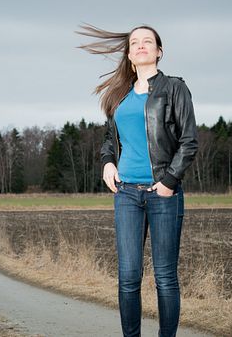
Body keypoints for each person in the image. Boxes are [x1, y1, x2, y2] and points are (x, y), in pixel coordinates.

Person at [77, 24, 198, 337]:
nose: (141, 46)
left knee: (165, 277)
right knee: (128, 277)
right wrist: (107, 163)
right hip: (127, 195)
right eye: (135, 43)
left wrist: (170, 181)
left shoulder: (174, 88)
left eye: (148, 41)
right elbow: (110, 138)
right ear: (129, 55)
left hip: (163, 194)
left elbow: (189, 141)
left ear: (158, 51)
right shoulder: (121, 96)